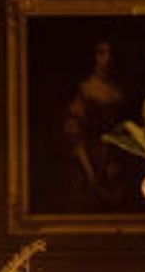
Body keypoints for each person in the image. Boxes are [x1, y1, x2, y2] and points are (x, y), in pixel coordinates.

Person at [56, 38, 136, 211]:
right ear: (94, 57)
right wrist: (90, 172)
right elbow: (73, 133)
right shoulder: (85, 89)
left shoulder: (120, 92)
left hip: (116, 163)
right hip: (88, 161)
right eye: (101, 53)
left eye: (110, 53)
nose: (107, 58)